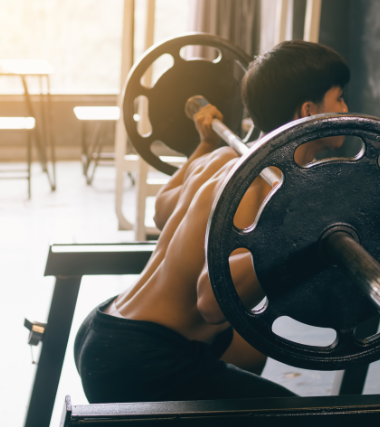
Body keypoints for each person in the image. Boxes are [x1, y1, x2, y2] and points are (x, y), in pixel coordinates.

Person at [74, 40, 350, 404]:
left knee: (250, 353)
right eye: (340, 99)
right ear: (308, 111)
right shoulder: (265, 186)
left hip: (106, 325)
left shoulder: (221, 155)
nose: (347, 110)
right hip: (143, 357)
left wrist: (203, 144)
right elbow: (210, 301)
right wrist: (304, 242)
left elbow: (162, 209)